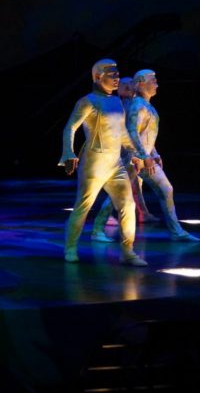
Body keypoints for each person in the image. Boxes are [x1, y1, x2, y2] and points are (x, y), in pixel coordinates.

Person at [59, 60, 148, 266]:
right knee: (83, 206)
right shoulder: (88, 101)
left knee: (128, 204)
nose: (117, 78)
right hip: (94, 163)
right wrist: (68, 153)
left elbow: (122, 133)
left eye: (118, 74)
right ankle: (70, 247)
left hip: (115, 163)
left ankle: (128, 251)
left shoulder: (116, 101)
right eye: (112, 74)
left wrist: (136, 154)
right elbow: (70, 127)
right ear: (98, 76)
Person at [123, 69, 198, 241]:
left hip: (145, 158)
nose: (156, 84)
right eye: (153, 81)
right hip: (135, 159)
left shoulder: (147, 106)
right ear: (141, 83)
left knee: (166, 189)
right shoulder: (137, 106)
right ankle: (98, 228)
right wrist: (144, 156)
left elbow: (147, 135)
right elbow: (132, 133)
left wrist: (154, 153)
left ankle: (176, 231)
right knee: (119, 195)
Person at [91, 77, 158, 237]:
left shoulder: (133, 104)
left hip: (132, 151)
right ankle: (101, 222)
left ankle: (143, 213)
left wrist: (151, 153)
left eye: (131, 84)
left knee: (135, 185)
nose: (130, 87)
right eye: (126, 85)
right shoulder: (120, 104)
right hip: (122, 152)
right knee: (120, 186)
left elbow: (143, 133)